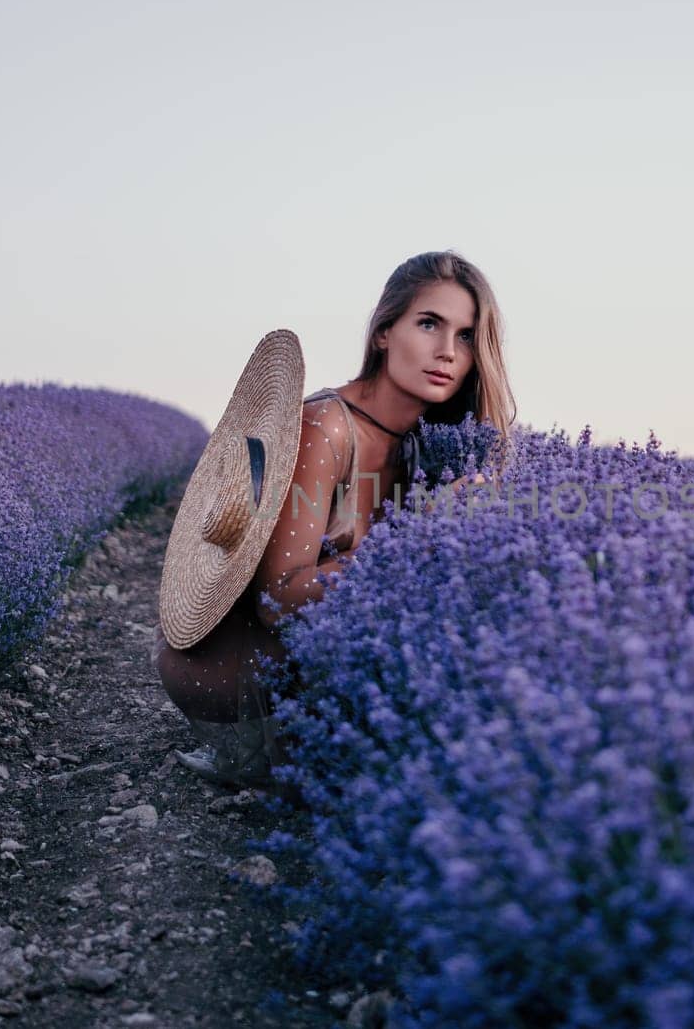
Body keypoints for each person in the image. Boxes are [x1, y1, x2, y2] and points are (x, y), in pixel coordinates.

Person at [153, 250, 517, 789]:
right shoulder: (326, 429)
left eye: (466, 336)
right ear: (383, 334)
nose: (447, 352)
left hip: (321, 661)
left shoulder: (435, 441)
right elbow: (281, 601)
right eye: (428, 324)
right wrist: (419, 534)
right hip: (238, 666)